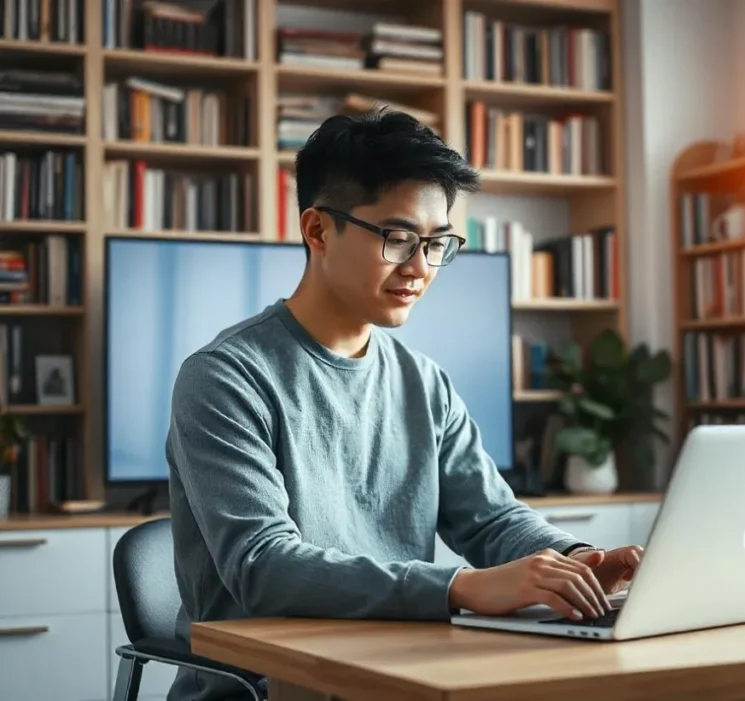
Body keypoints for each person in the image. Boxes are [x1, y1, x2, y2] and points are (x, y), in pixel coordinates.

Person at [164, 109, 644, 701]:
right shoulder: (225, 378)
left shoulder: (423, 382)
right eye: (397, 239)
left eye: (437, 243)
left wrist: (576, 559)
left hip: (397, 674)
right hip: (269, 689)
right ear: (317, 231)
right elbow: (263, 566)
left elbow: (491, 518)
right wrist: (462, 588)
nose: (420, 268)